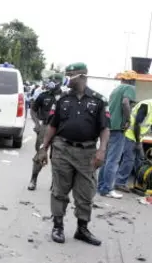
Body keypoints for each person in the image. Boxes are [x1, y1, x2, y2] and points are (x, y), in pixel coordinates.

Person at [37, 62, 109, 246]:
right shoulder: (62, 98)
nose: (66, 78)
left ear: (81, 76)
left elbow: (105, 128)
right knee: (59, 189)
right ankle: (58, 226)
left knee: (85, 193)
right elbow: (53, 125)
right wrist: (43, 148)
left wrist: (102, 151)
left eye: (69, 74)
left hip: (87, 153)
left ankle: (82, 229)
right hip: (63, 149)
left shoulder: (98, 100)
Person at [96, 70, 137, 198]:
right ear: (131, 80)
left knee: (107, 159)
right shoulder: (130, 88)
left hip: (109, 127)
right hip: (119, 128)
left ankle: (101, 187)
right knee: (114, 160)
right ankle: (108, 189)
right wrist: (128, 119)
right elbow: (125, 102)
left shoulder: (115, 90)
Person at [28, 74, 63, 190]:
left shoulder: (65, 97)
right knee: (40, 154)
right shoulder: (43, 96)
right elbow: (33, 110)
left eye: (55, 80)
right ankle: (33, 179)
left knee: (58, 158)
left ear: (60, 82)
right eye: (51, 79)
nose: (52, 82)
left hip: (60, 129)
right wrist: (37, 124)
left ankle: (55, 183)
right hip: (45, 127)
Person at [114, 99, 151, 192]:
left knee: (140, 160)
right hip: (130, 135)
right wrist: (138, 142)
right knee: (129, 160)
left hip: (138, 137)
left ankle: (140, 184)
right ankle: (119, 183)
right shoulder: (146, 105)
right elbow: (137, 124)